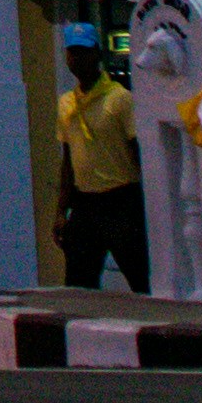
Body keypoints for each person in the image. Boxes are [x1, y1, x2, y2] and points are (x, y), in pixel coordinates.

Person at [54, 26, 146, 291]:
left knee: (140, 276)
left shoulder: (119, 99)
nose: (78, 59)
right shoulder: (67, 103)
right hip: (85, 202)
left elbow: (138, 152)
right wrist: (61, 210)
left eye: (84, 52)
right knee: (78, 283)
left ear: (97, 54)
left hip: (121, 199)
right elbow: (68, 160)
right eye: (73, 52)